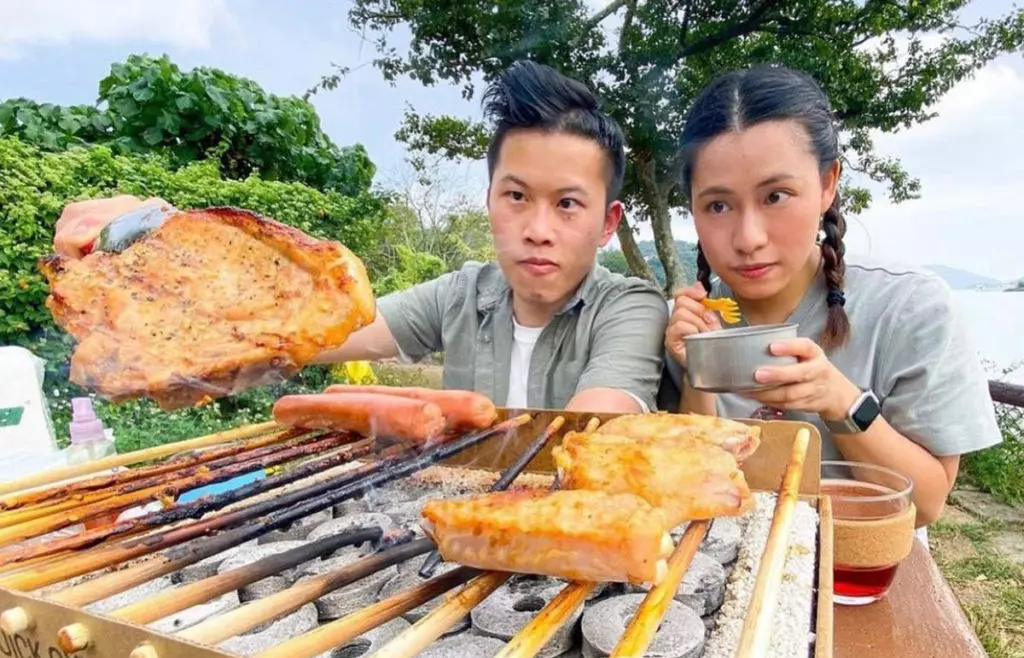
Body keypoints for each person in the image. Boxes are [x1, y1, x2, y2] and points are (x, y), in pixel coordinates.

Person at [53, 61, 669, 414]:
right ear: (490, 200)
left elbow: (593, 427)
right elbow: (315, 331)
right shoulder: (462, 295)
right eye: (516, 197)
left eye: (567, 205)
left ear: (608, 222)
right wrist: (164, 247)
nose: (537, 230)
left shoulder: (631, 307)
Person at [661, 64, 1000, 527]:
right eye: (718, 205)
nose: (748, 238)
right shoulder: (683, 326)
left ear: (827, 184)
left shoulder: (909, 308)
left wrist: (841, 401)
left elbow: (925, 506)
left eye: (776, 196)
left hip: (862, 560)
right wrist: (697, 374)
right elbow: (691, 489)